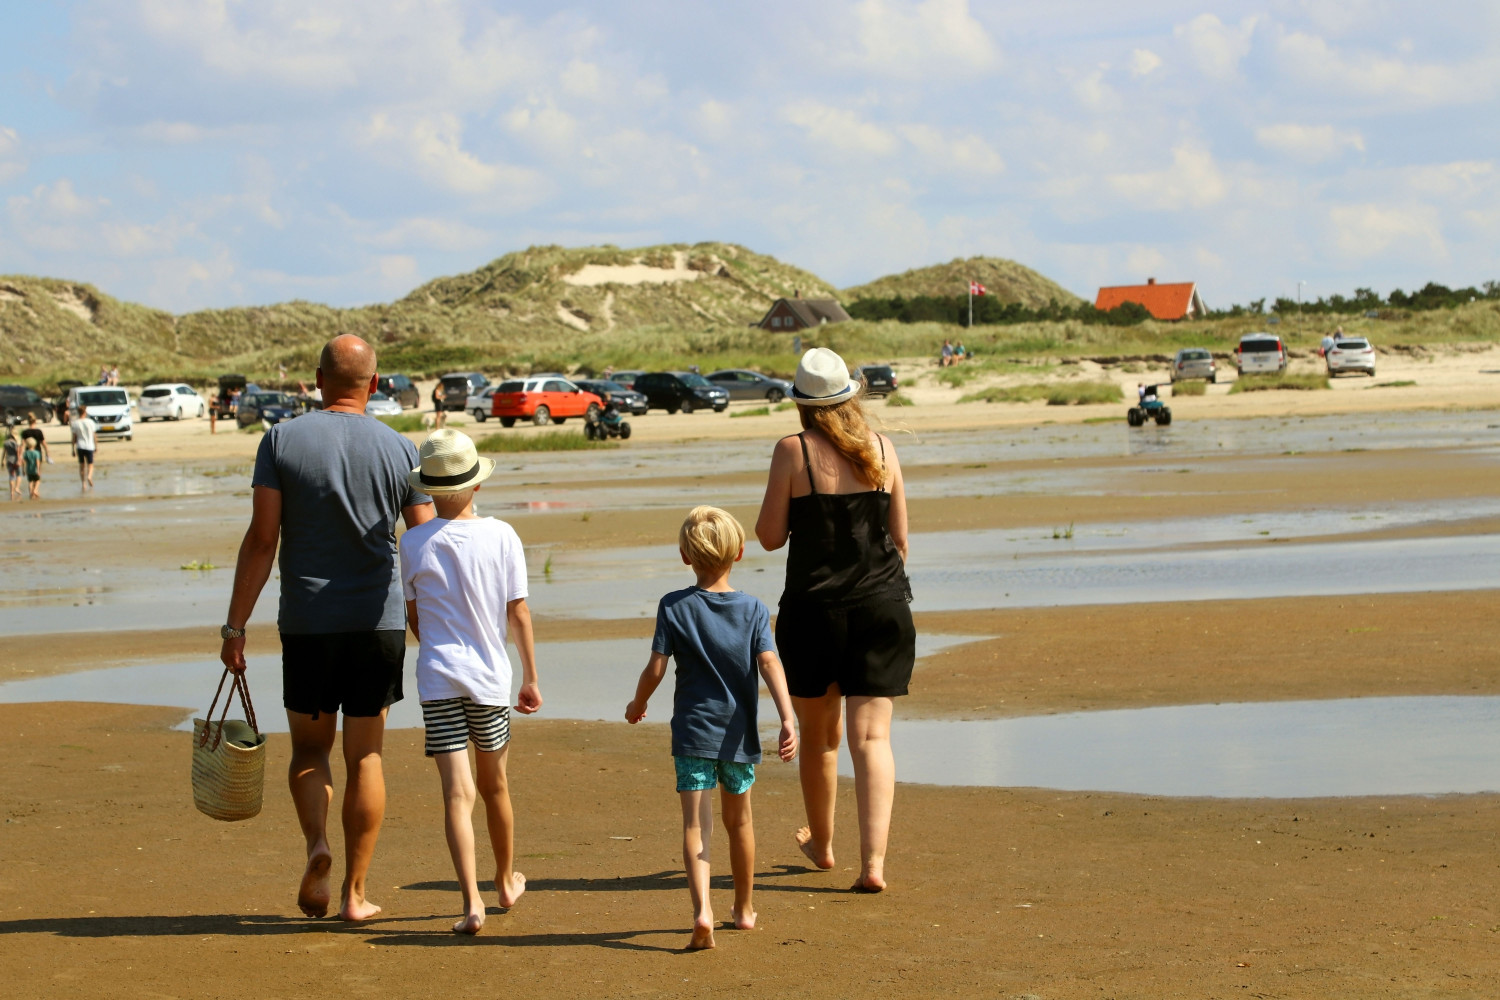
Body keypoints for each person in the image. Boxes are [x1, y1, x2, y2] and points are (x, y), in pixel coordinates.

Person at [220, 334, 434, 922]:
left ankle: (317, 847)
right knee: (366, 758)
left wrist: (234, 626)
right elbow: (421, 543)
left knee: (312, 749)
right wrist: (428, 620)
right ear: (374, 381)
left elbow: (264, 540)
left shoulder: (281, 439)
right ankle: (355, 895)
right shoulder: (399, 449)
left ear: (318, 379)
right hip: (376, 622)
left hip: (309, 622)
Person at [754, 347, 913, 894]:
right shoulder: (884, 450)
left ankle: (823, 846)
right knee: (872, 740)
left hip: (813, 611)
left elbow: (771, 537)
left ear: (801, 404)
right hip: (883, 606)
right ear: (850, 396)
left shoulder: (792, 450)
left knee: (821, 741)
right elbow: (901, 542)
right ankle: (873, 865)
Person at [626, 506, 798, 950]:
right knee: (739, 823)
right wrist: (787, 716)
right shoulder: (753, 609)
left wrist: (638, 701)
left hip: (691, 735)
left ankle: (702, 910)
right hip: (737, 735)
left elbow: (656, 669)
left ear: (685, 555)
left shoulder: (674, 606)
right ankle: (742, 909)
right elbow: (769, 663)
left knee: (695, 825)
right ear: (739, 553)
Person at [399, 429, 543, 935]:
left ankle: (471, 904)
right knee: (495, 784)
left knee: (456, 794)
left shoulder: (413, 541)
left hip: (438, 677)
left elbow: (415, 618)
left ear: (429, 491)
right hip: (488, 678)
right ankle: (505, 881)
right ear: (476, 484)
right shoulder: (502, 535)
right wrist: (530, 676)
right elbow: (518, 612)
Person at [70, 404, 97, 491]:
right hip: (89, 446)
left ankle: (83, 484)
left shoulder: (75, 423)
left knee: (82, 466)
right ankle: (89, 476)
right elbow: (94, 436)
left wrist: (73, 449)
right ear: (85, 412)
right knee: (90, 464)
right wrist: (96, 446)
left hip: (80, 446)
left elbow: (74, 438)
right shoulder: (90, 422)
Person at [5, 422, 22, 500]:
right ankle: (17, 488)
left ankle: (12, 492)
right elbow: (18, 452)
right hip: (15, 460)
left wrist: (2, 461)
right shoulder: (16, 443)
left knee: (11, 476)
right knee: (18, 474)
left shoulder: (6, 442)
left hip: (9, 460)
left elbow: (4, 452)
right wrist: (19, 460)